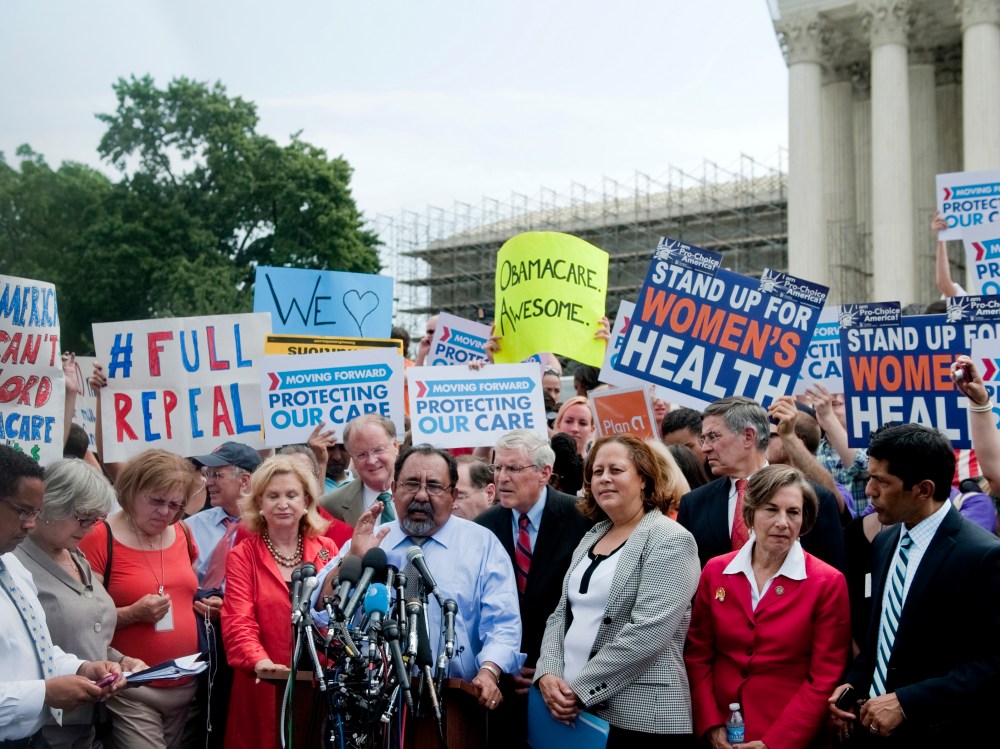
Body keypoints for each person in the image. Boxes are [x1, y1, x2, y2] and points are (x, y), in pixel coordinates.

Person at [314, 444, 524, 712]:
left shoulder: (482, 545)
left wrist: (489, 671)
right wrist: (352, 557)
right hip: (373, 700)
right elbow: (321, 611)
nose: (422, 496)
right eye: (411, 484)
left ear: (454, 495)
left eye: (435, 486)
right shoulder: (371, 539)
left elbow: (503, 624)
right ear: (393, 489)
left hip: (454, 700)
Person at [829, 423, 1000, 746]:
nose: (869, 491)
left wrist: (908, 701)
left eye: (882, 482)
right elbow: (881, 638)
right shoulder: (885, 541)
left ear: (923, 490)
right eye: (870, 478)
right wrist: (852, 685)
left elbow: (991, 665)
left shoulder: (982, 556)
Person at [535, 434, 700, 748]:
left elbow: (648, 631)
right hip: (575, 713)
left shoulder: (670, 538)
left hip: (640, 718)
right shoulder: (594, 534)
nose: (604, 479)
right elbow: (560, 615)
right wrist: (548, 673)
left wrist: (577, 688)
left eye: (616, 470)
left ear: (644, 480)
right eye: (597, 472)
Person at [685, 465, 851, 749]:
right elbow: (698, 654)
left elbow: (824, 676)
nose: (782, 522)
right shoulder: (716, 570)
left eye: (793, 512)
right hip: (719, 731)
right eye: (771, 510)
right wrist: (711, 724)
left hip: (786, 732)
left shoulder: (827, 582)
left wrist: (776, 742)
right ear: (749, 513)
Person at [15, 459, 147, 749]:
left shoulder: (75, 556)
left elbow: (90, 628)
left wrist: (119, 660)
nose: (88, 529)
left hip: (91, 720)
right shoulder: (15, 561)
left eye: (96, 519)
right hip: (46, 725)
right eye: (82, 517)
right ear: (51, 504)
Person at [78, 449, 202, 749]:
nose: (166, 512)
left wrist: (207, 604)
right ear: (131, 490)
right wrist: (132, 614)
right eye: (157, 501)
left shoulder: (183, 532)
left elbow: (190, 590)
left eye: (175, 504)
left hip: (186, 688)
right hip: (132, 690)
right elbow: (82, 621)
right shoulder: (99, 537)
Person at [475, 430, 592, 748]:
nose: (501, 478)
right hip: (503, 686)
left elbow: (589, 605)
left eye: (513, 469)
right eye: (497, 468)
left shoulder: (581, 518)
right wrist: (500, 664)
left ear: (544, 473)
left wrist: (548, 668)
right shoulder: (485, 526)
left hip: (565, 685)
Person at [221, 455, 337, 749]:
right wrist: (259, 661)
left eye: (291, 495)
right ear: (260, 502)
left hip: (318, 684)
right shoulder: (242, 555)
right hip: (262, 683)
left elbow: (337, 617)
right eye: (273, 496)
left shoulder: (327, 550)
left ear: (306, 501)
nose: (283, 504)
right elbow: (238, 620)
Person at [678, 396, 845, 571]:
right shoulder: (693, 504)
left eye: (713, 436)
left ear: (748, 436)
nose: (705, 448)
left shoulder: (814, 499)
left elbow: (832, 577)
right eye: (703, 439)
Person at [319, 414, 399, 526]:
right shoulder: (330, 505)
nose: (371, 461)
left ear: (395, 447)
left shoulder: (421, 494)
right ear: (352, 459)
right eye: (361, 454)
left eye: (378, 450)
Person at [452, 455, 496, 520]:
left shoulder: (510, 528)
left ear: (489, 494)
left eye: (460, 497)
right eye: (447, 497)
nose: (452, 505)